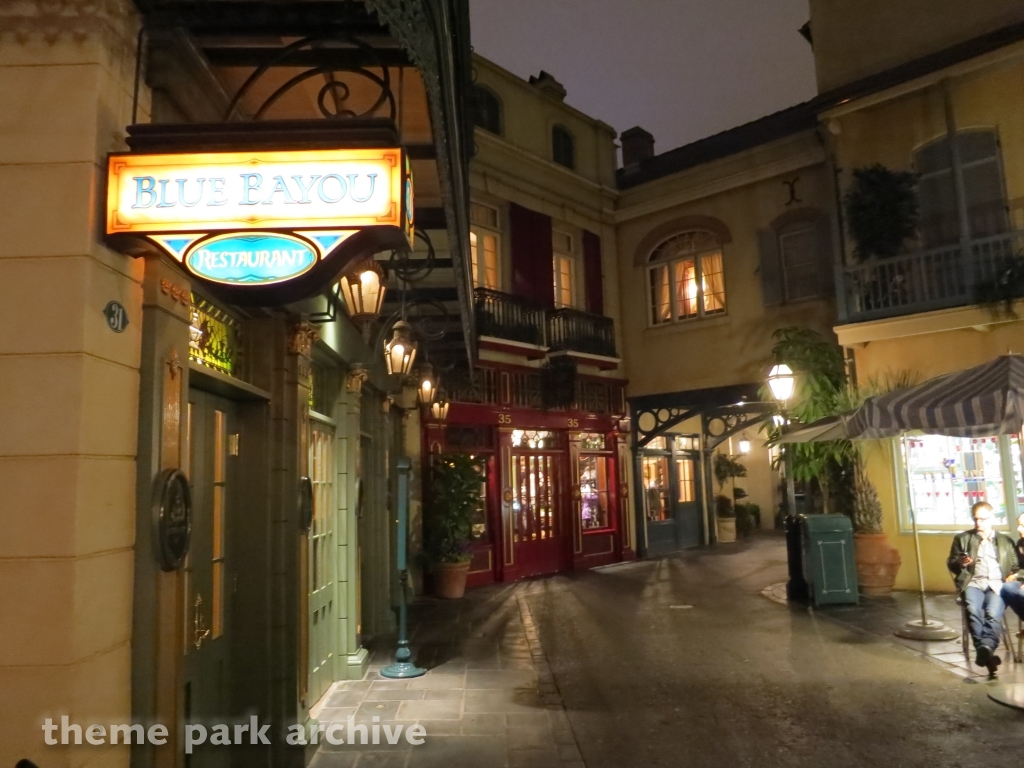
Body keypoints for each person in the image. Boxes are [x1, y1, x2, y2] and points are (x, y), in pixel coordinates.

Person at [947, 501, 1021, 675]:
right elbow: (951, 563)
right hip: (973, 582)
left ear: (992, 518)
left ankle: (985, 650)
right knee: (972, 610)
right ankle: (987, 653)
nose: (978, 523)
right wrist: (960, 562)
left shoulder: (1005, 541)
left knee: (993, 613)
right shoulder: (963, 539)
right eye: (975, 519)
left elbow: (1016, 566)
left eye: (982, 519)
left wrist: (1013, 576)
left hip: (996, 584)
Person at [1000, 512, 1024, 628]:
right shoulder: (1020, 544)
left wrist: (1018, 575)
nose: (1019, 529)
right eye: (1018, 525)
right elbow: (1019, 566)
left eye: (1023, 526)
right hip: (1022, 579)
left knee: (1021, 593)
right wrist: (1014, 574)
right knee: (1007, 587)